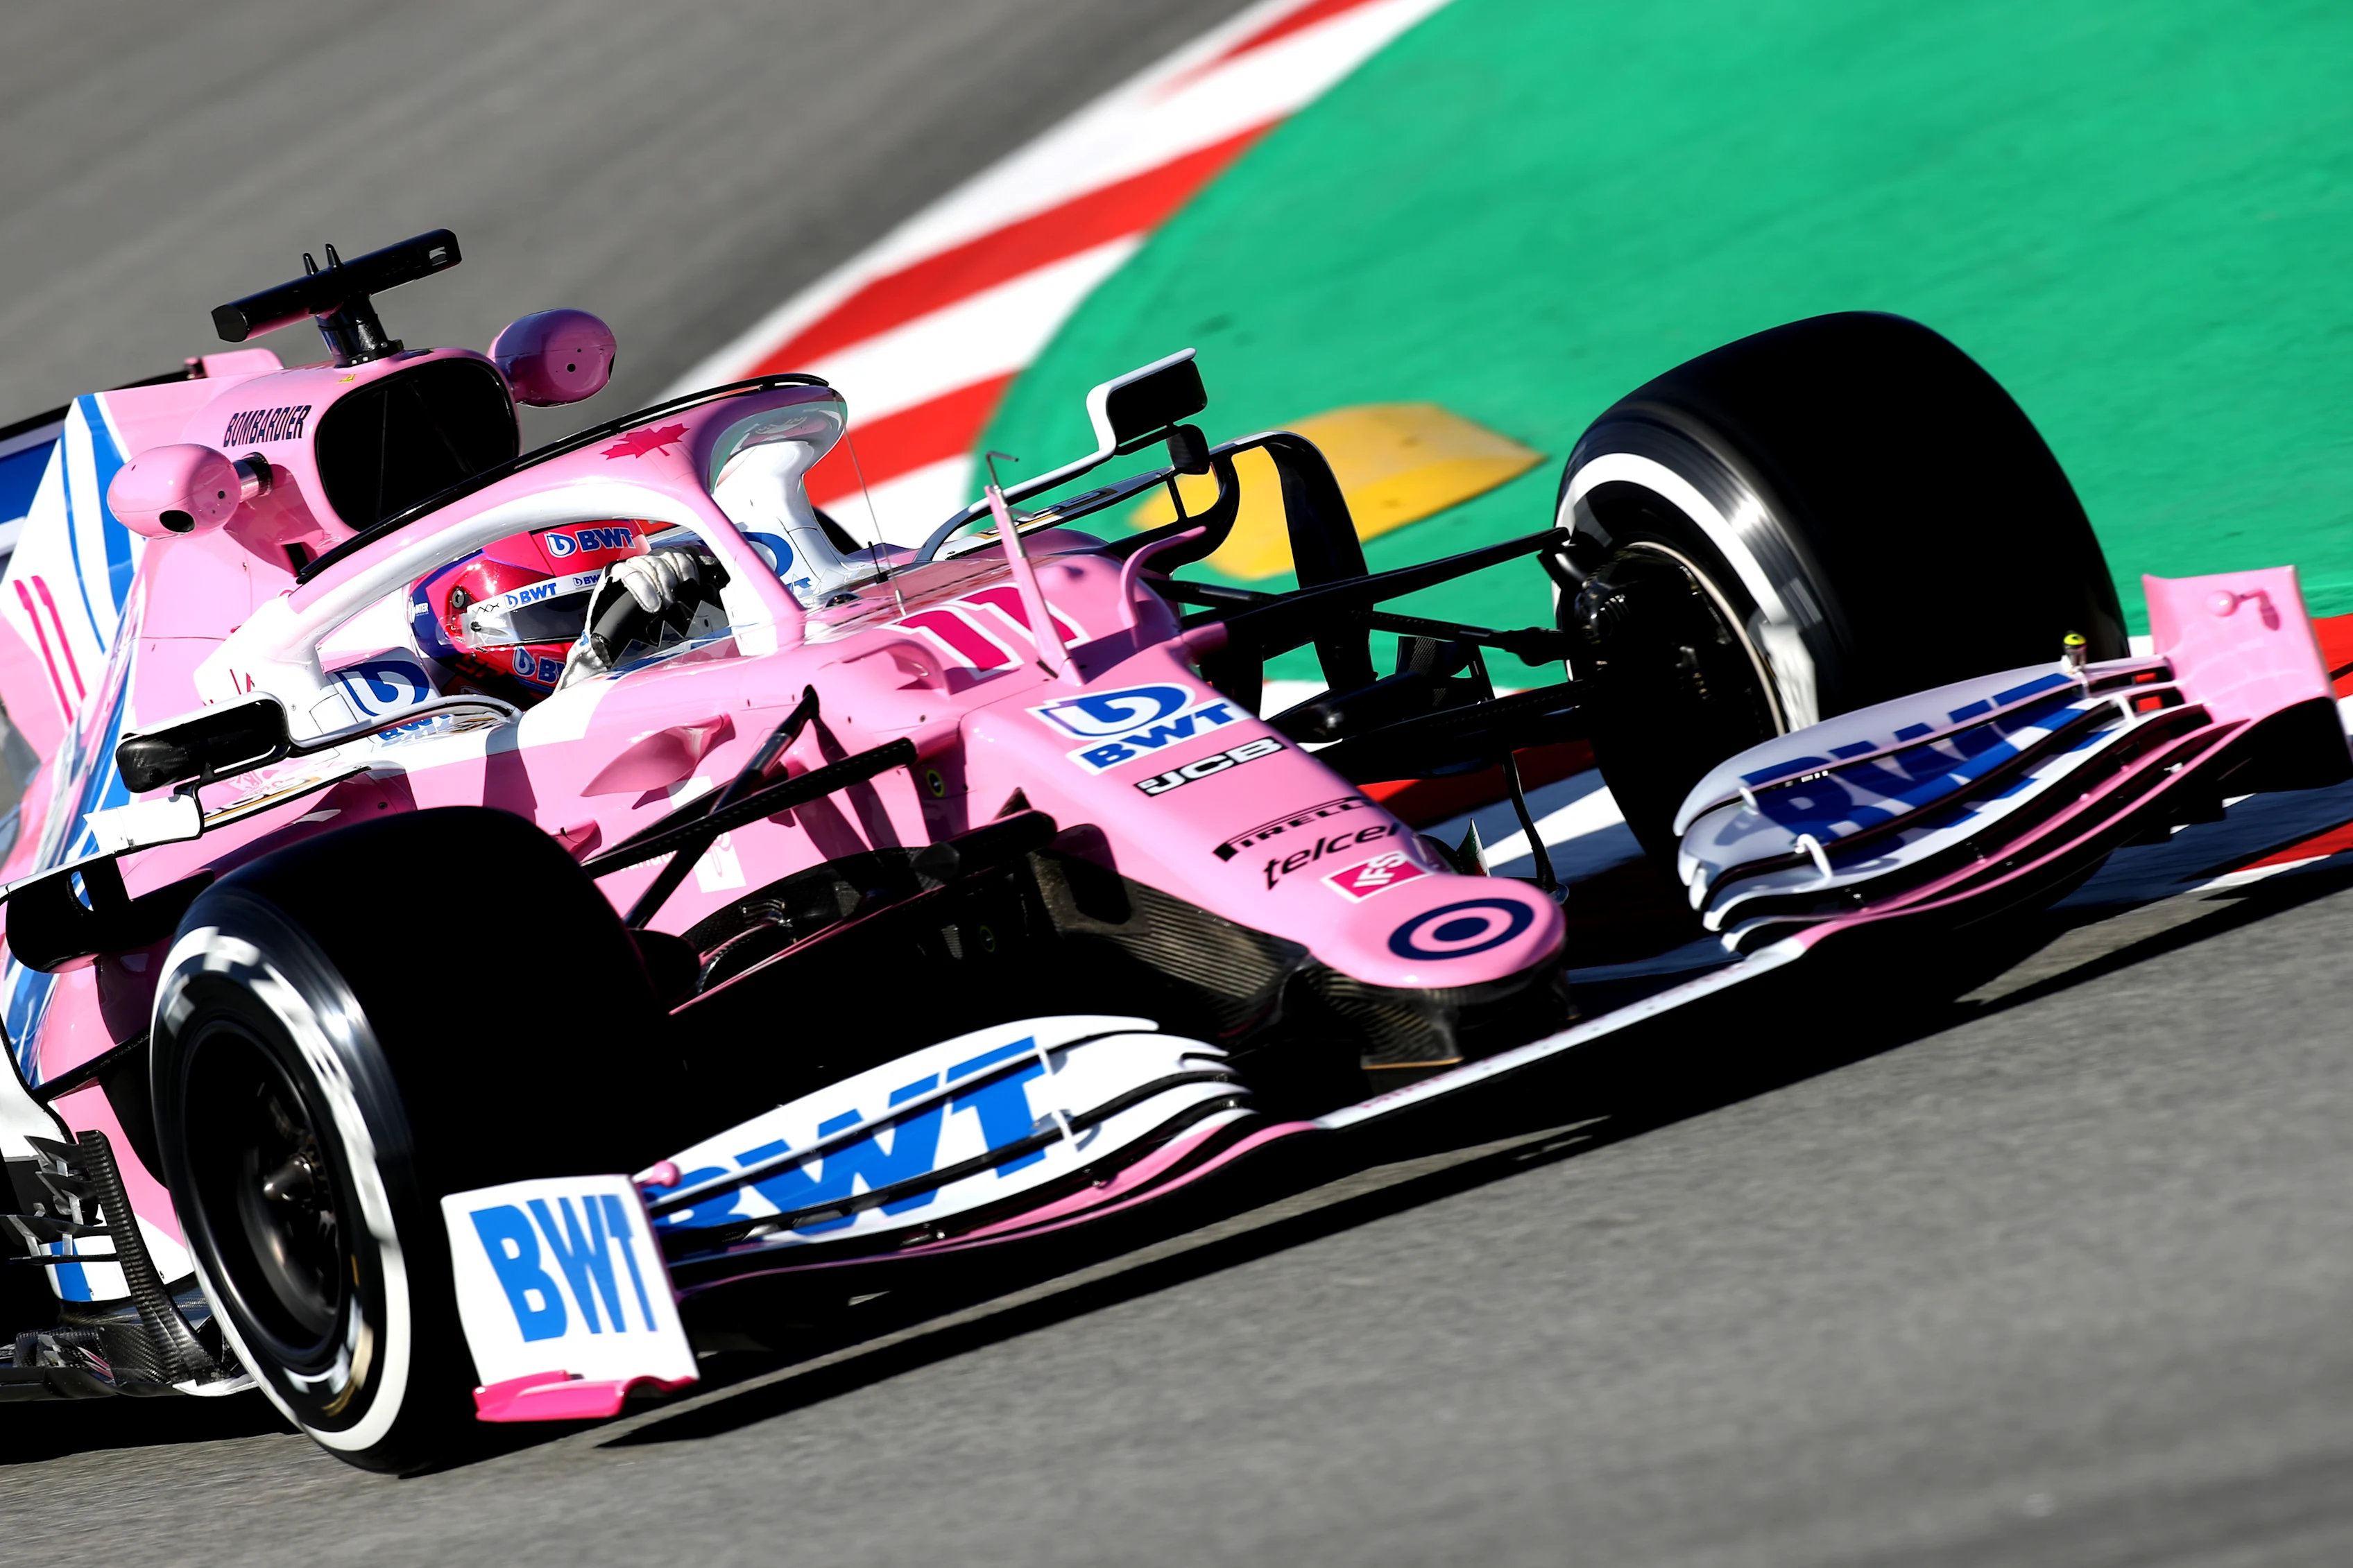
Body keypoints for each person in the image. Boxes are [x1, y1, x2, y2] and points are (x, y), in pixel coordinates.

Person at [405, 519, 728, 706]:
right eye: (563, 609)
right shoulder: (435, 727)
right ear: (463, 623)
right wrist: (575, 701)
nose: (596, 625)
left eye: (614, 603)